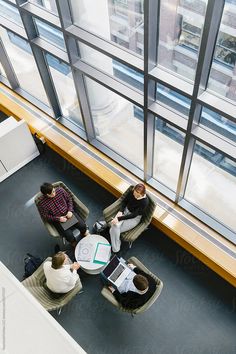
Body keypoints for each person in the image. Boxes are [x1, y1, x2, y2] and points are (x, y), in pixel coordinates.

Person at [38, 182, 88, 247]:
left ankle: (83, 233)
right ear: (46, 195)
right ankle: (74, 243)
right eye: (51, 194)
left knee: (83, 226)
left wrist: (70, 210)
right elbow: (46, 216)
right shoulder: (42, 204)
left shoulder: (60, 190)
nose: (54, 194)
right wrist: (58, 219)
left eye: (53, 191)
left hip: (68, 213)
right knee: (69, 236)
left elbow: (69, 199)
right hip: (58, 220)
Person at [109, 183, 149, 253]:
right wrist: (120, 211)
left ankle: (115, 249)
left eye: (138, 195)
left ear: (142, 194)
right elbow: (124, 201)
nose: (135, 196)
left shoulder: (145, 202)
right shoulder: (131, 192)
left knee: (113, 228)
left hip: (134, 218)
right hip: (125, 211)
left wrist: (118, 218)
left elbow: (134, 215)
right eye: (134, 194)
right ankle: (116, 248)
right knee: (114, 227)